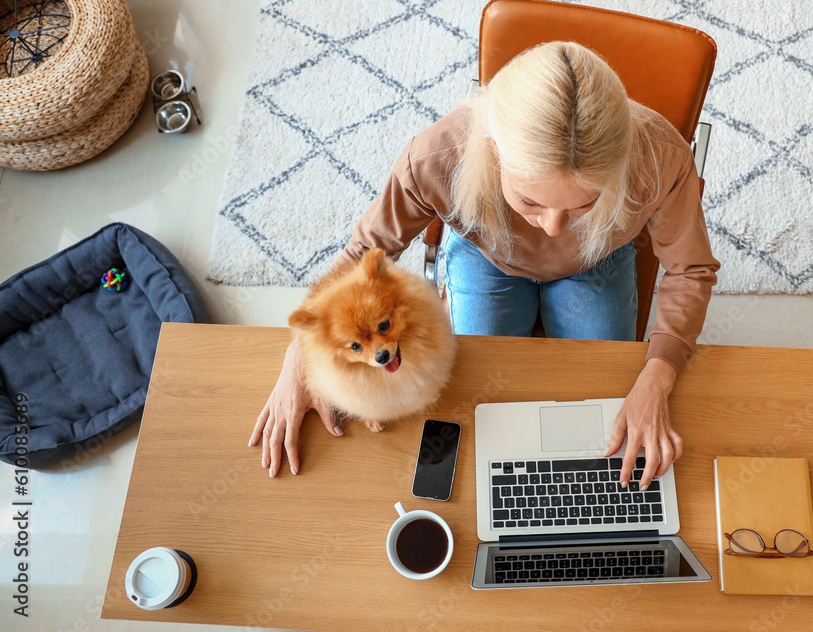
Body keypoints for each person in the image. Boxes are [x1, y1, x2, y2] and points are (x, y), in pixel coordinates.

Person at [249, 41, 720, 490]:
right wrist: (300, 361)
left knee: (604, 406)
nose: (553, 228)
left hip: (597, 259)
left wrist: (658, 379)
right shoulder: (437, 156)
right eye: (531, 202)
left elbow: (690, 270)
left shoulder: (659, 156)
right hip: (487, 255)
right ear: (493, 153)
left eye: (583, 205)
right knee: (471, 404)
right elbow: (365, 254)